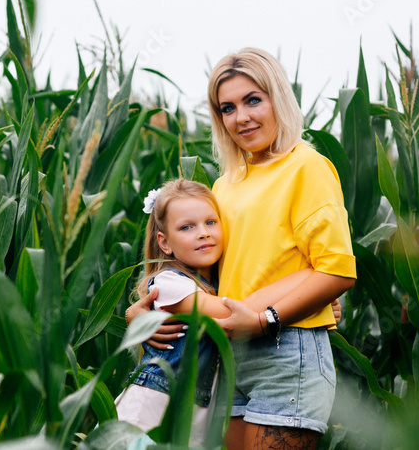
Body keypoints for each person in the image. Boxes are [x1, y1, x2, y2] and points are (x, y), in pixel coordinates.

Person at [127, 48, 356, 450]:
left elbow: (336, 270)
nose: (242, 117)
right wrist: (144, 310)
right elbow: (216, 276)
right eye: (227, 108)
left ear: (277, 98)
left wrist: (268, 318)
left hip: (287, 351)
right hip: (229, 360)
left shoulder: (306, 166)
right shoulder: (225, 185)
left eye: (253, 100)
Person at [116, 178, 314, 443]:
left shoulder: (217, 286)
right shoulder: (169, 284)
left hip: (192, 422)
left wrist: (314, 302)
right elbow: (238, 310)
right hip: (148, 416)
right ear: (164, 243)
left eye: (211, 222)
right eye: (187, 227)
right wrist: (313, 277)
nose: (203, 233)